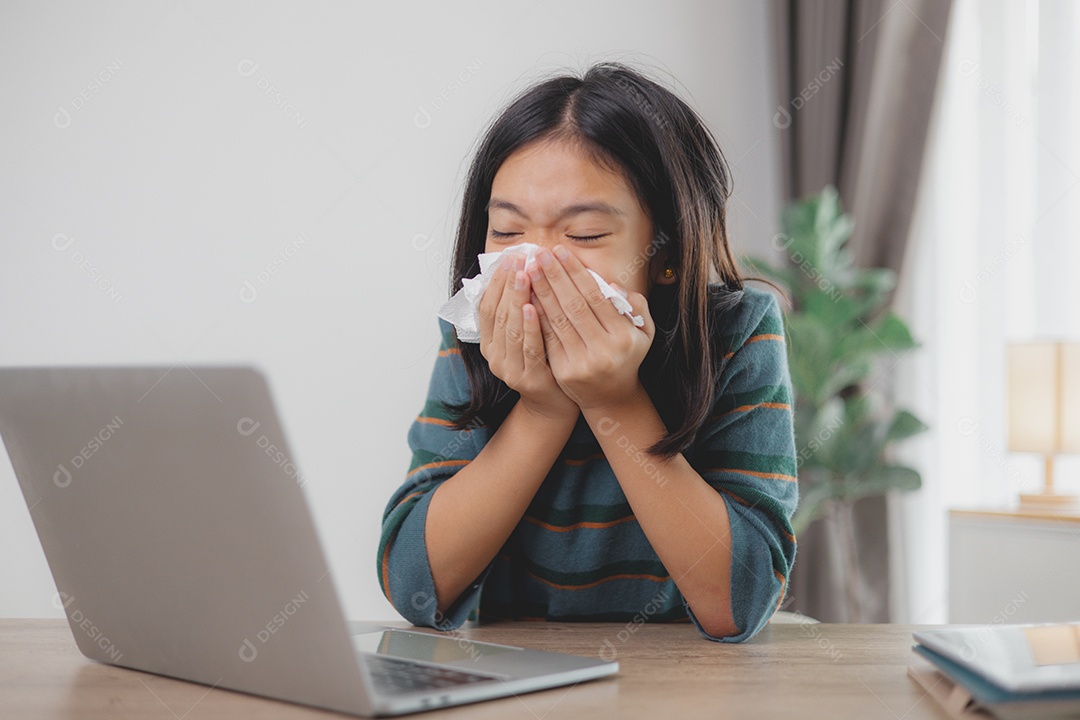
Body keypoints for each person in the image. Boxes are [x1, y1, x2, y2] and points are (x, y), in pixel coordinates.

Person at [377, 61, 797, 642]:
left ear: (668, 252)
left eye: (585, 235)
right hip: (516, 672)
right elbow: (413, 586)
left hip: (688, 677)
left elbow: (739, 604)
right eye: (507, 232)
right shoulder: (480, 338)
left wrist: (613, 401)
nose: (535, 266)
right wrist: (541, 410)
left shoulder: (735, 333)